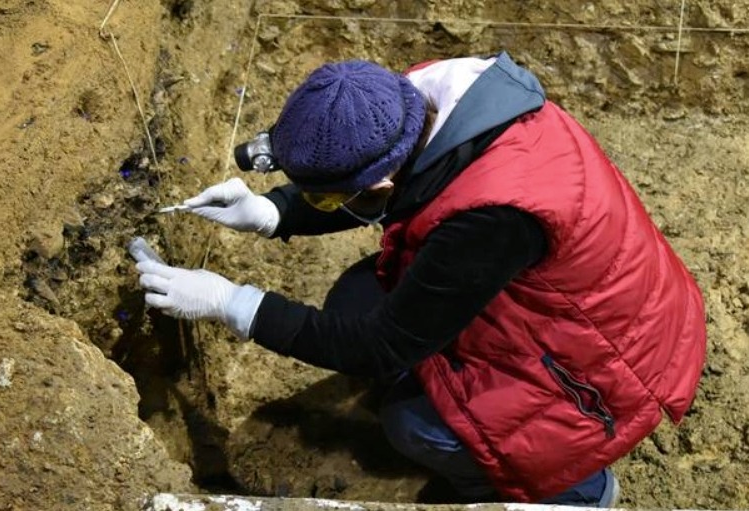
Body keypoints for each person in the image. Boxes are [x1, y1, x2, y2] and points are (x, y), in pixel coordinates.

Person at [131, 53, 707, 506]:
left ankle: (574, 494)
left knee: (413, 426)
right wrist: (276, 210)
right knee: (358, 297)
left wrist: (235, 303)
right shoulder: (423, 103)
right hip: (561, 297)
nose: (323, 204)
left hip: (606, 362)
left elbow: (381, 346)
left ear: (379, 183)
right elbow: (374, 174)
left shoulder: (491, 218)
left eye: (324, 198)